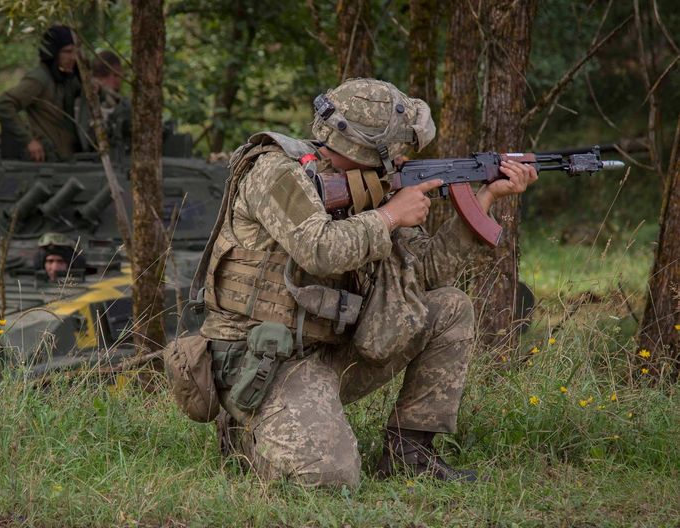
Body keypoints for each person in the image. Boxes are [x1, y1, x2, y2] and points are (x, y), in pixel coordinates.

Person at [186, 78, 537, 487]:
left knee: (449, 307)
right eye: (399, 147)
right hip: (264, 361)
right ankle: (245, 434)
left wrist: (484, 201)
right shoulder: (276, 172)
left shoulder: (371, 189)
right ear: (373, 147)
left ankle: (410, 455)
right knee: (329, 478)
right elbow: (318, 248)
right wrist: (391, 216)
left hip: (332, 348)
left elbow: (423, 275)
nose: (404, 157)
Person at [0, 24, 82, 162]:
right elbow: (3, 105)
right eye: (67, 52)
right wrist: (28, 141)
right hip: (47, 161)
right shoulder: (40, 79)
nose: (73, 57)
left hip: (66, 159)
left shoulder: (67, 78)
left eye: (75, 52)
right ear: (53, 53)